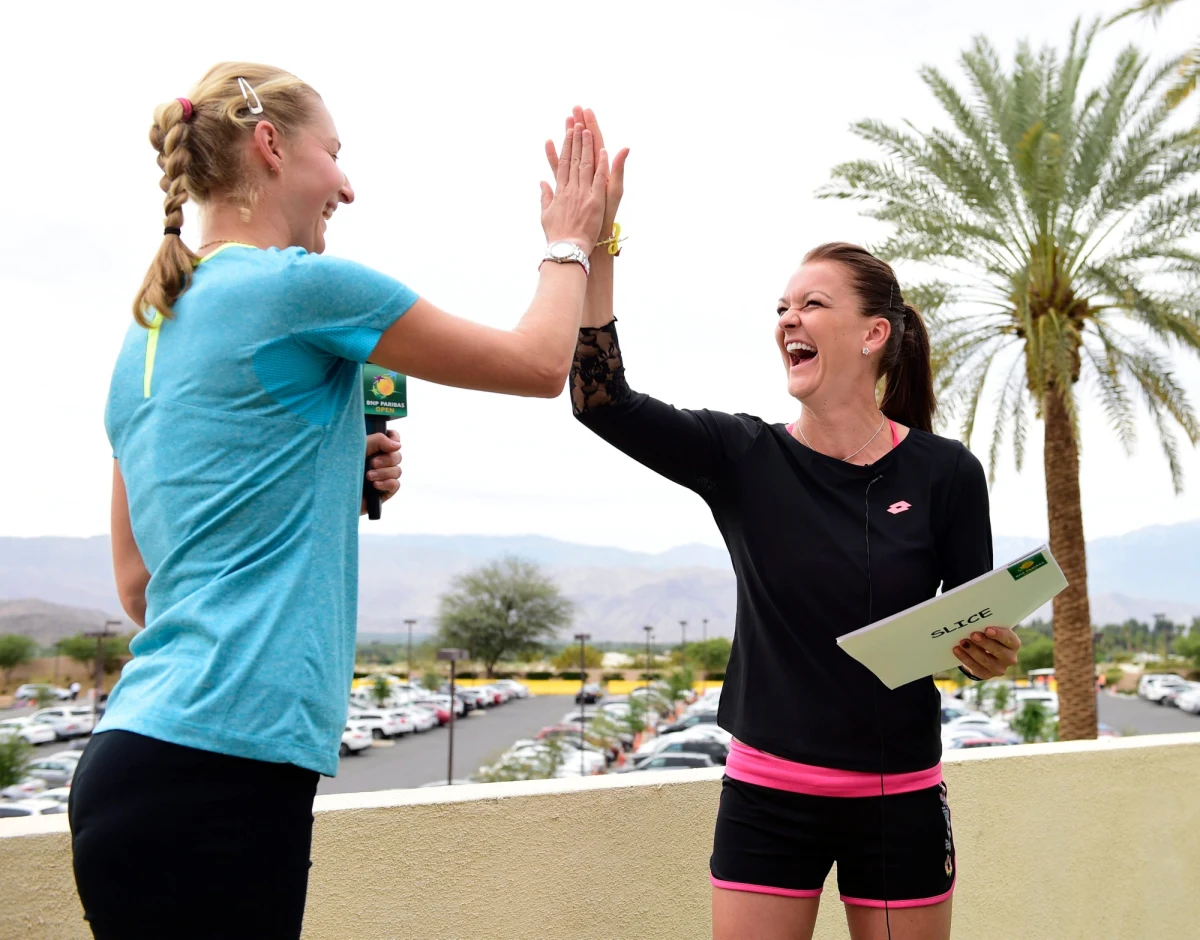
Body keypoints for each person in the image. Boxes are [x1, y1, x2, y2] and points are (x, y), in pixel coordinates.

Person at [69, 63, 608, 940]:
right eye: (334, 153)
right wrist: (573, 239)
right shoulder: (301, 288)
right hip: (225, 773)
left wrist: (323, 485)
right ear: (270, 146)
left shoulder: (147, 334)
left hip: (127, 767)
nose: (347, 186)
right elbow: (540, 363)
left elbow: (140, 588)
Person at [556, 109, 1020, 940]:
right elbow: (600, 400)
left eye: (812, 304)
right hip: (768, 798)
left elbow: (967, 629)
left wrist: (985, 651)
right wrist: (597, 246)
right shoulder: (742, 456)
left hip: (902, 800)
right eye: (781, 307)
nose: (787, 320)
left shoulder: (947, 473)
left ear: (874, 334)